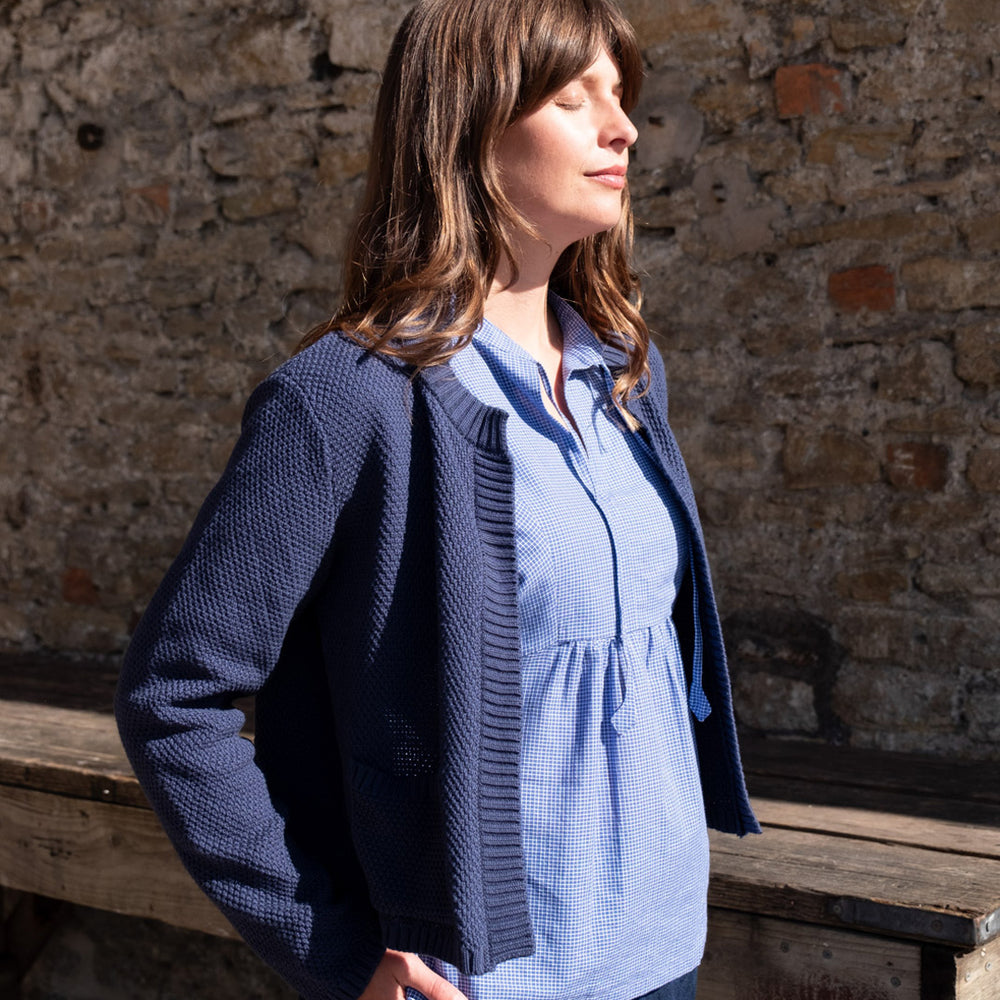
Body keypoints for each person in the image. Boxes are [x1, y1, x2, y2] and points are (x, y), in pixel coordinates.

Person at [114, 0, 760, 998]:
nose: (624, 127)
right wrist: (334, 951)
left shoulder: (624, 373)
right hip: (486, 979)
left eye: (620, 94)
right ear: (467, 125)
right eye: (573, 97)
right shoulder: (345, 399)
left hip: (664, 947)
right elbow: (173, 695)